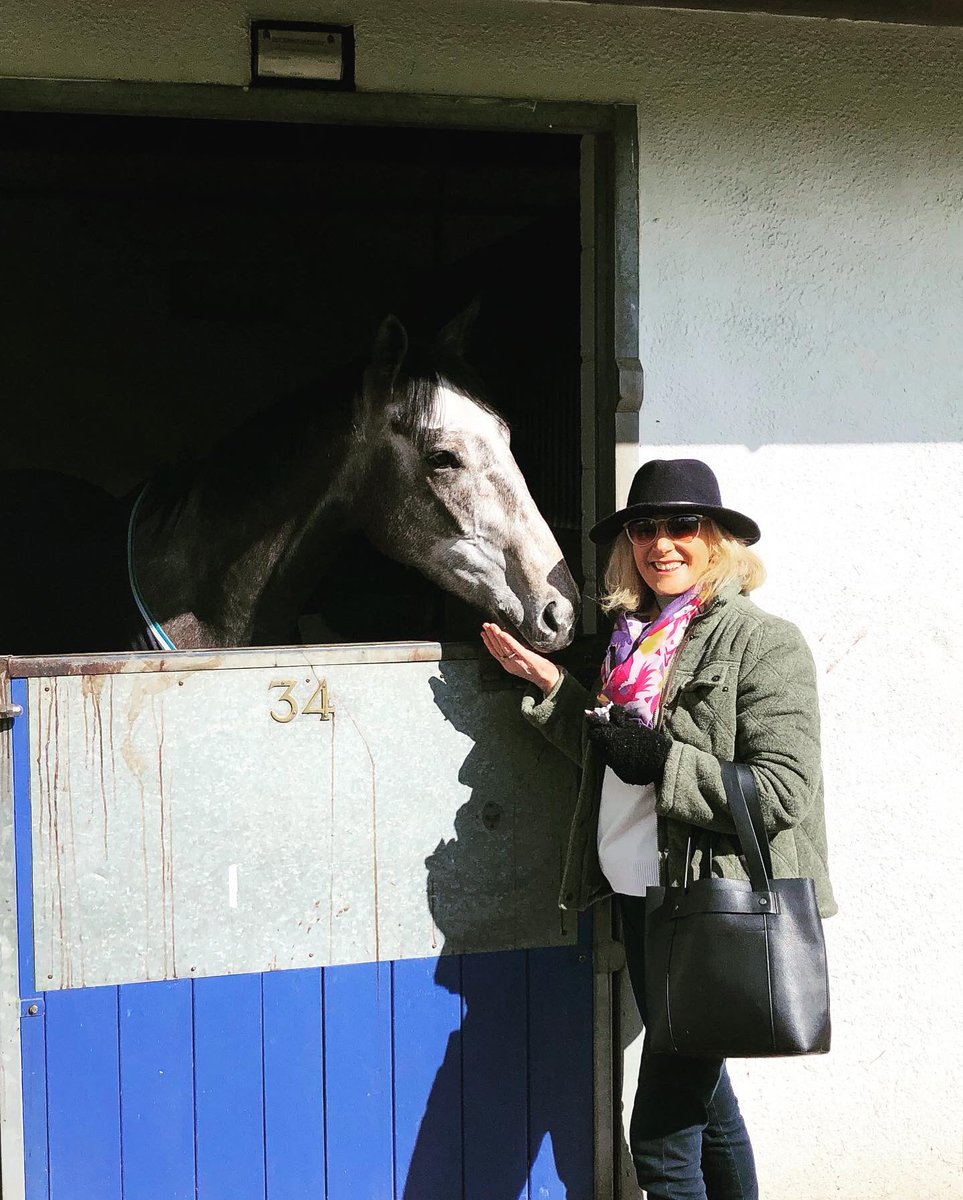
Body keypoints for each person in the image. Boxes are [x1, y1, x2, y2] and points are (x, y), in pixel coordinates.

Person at [481, 457, 835, 1200]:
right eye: (645, 528)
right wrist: (555, 689)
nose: (662, 543)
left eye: (684, 525)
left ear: (717, 541)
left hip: (711, 905)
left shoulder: (761, 642)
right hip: (643, 896)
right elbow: (614, 759)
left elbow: (782, 790)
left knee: (661, 1138)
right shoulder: (634, 642)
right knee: (710, 1105)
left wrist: (661, 760)